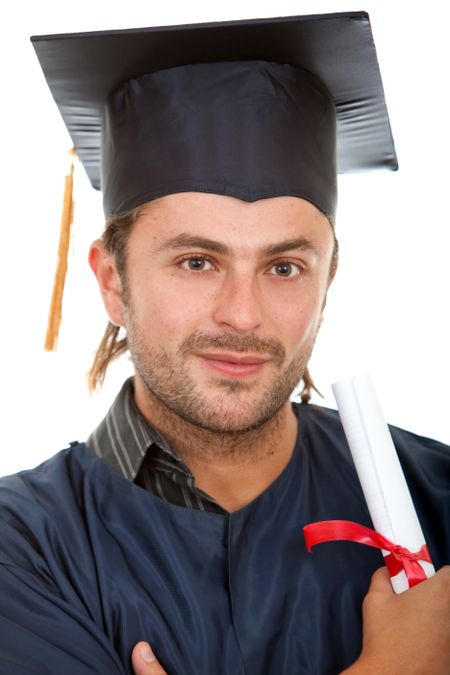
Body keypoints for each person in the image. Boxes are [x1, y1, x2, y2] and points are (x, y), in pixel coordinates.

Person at [1, 12, 449, 675]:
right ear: (111, 281)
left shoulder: (436, 499)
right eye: (196, 261)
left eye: (284, 266)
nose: (243, 315)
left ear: (327, 281)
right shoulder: (25, 548)